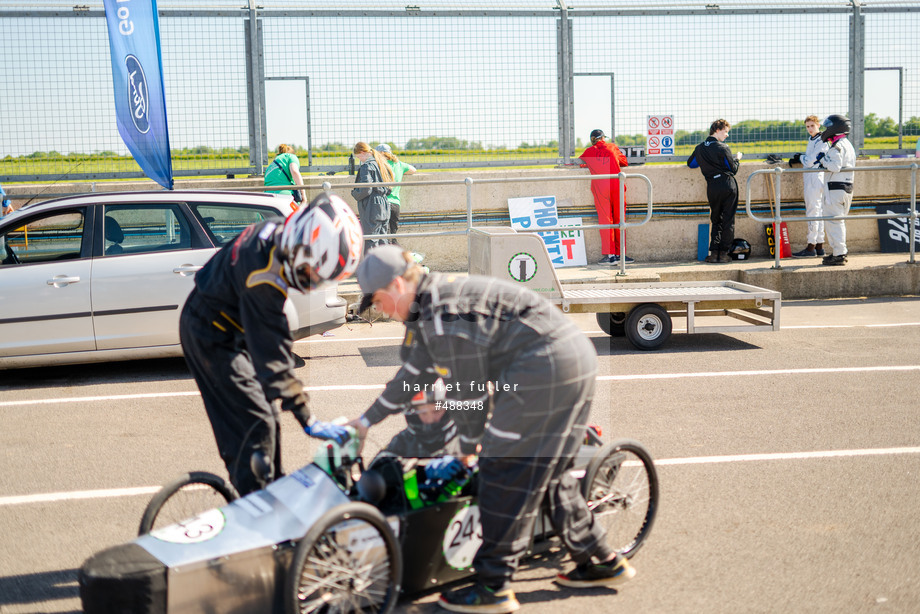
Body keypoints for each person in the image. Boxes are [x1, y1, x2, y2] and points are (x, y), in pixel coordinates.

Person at [347, 245, 635, 614]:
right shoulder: (433, 303)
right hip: (571, 358)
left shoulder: (442, 316)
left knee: (501, 469)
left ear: (398, 285)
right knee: (552, 471)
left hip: (543, 368)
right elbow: (411, 375)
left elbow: (469, 395)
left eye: (379, 301)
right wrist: (366, 420)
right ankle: (602, 560)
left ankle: (492, 585)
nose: (381, 311)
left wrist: (469, 446)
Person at [179, 193, 363, 496]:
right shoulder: (263, 275)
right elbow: (273, 355)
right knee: (254, 421)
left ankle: (270, 487)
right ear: (302, 246)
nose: (309, 284)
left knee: (268, 415)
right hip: (209, 334)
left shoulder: (280, 234)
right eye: (310, 274)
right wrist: (307, 417)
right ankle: (254, 504)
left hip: (227, 324)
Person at [687, 119, 742, 263]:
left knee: (716, 219)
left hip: (712, 186)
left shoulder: (699, 148)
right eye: (725, 132)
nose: (727, 135)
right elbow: (733, 169)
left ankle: (713, 253)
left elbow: (691, 164)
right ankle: (723, 253)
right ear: (717, 130)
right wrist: (737, 158)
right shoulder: (723, 148)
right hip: (727, 184)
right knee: (728, 220)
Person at [578, 129, 631, 264]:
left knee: (606, 220)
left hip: (601, 187)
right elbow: (624, 162)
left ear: (592, 140)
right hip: (616, 185)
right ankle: (621, 254)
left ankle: (611, 255)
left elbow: (580, 164)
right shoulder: (612, 147)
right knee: (620, 219)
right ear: (603, 138)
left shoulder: (588, 152)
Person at [815, 114, 856, 266]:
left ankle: (839, 254)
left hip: (835, 188)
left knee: (833, 221)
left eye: (828, 127)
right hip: (845, 187)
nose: (826, 130)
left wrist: (822, 159)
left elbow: (834, 166)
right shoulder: (847, 144)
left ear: (836, 128)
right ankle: (839, 252)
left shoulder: (837, 146)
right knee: (838, 221)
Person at [792, 116, 829, 258]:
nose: (810, 129)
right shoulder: (813, 139)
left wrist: (799, 157)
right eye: (807, 126)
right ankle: (819, 246)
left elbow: (809, 161)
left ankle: (810, 246)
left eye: (812, 126)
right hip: (812, 177)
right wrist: (801, 157)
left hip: (815, 177)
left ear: (818, 125)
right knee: (817, 212)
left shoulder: (821, 140)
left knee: (813, 212)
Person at [352, 141, 394, 254]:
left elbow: (366, 188)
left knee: (370, 240)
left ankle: (370, 269)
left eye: (358, 157)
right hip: (384, 204)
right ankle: (385, 268)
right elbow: (390, 188)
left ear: (362, 152)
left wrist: (355, 194)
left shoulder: (367, 166)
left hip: (372, 205)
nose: (359, 160)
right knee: (382, 238)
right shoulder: (382, 163)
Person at [375, 144, 417, 245]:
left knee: (385, 237)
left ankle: (391, 258)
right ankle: (398, 258)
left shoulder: (379, 165)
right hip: (396, 205)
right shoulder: (399, 164)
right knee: (393, 235)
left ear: (380, 153)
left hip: (383, 203)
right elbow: (413, 170)